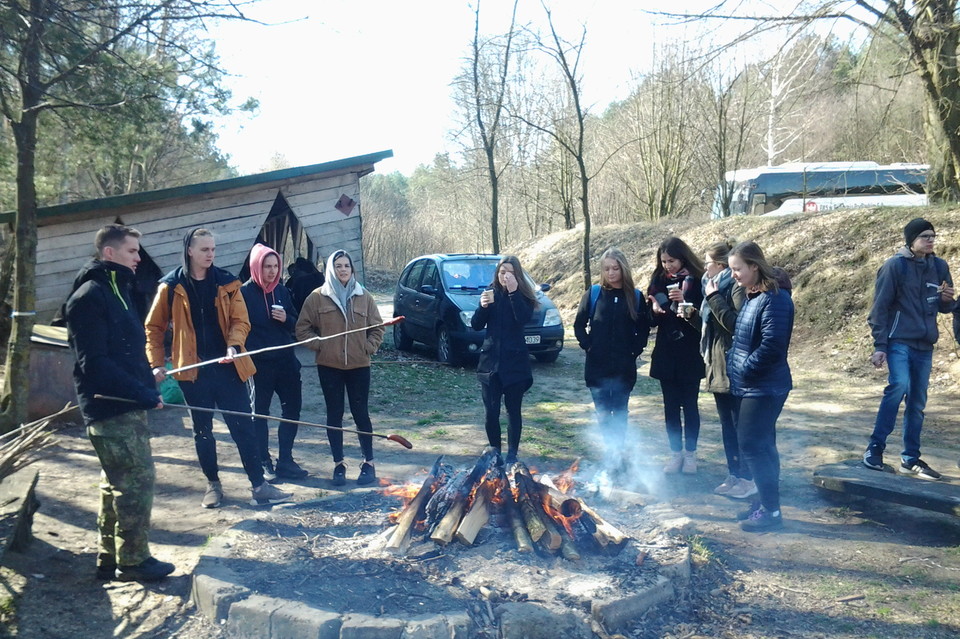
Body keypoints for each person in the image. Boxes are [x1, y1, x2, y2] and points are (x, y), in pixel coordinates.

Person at [145, 228, 292, 508]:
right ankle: (213, 485)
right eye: (204, 250)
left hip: (227, 368)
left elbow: (241, 321)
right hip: (192, 372)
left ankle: (259, 486)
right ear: (190, 251)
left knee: (243, 428)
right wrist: (155, 364)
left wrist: (234, 347)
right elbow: (153, 328)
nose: (210, 254)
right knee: (202, 430)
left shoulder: (227, 283)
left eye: (213, 249)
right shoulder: (170, 287)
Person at [64, 224, 175, 582]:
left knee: (115, 483)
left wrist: (149, 378)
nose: (139, 258)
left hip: (126, 403)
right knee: (137, 481)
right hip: (109, 407)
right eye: (132, 251)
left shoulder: (118, 288)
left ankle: (109, 557)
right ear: (109, 253)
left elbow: (125, 350)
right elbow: (94, 363)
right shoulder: (89, 296)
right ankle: (133, 561)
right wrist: (141, 393)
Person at [864, 218, 954, 480]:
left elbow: (945, 306)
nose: (931, 240)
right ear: (911, 239)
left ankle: (910, 459)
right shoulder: (895, 266)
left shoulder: (939, 266)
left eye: (933, 236)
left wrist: (947, 301)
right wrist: (880, 346)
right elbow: (879, 309)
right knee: (898, 387)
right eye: (925, 236)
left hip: (925, 345)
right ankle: (874, 450)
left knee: (917, 402)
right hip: (899, 341)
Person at [295, 249, 385, 486]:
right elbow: (302, 329)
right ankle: (339, 464)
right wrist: (320, 346)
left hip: (359, 365)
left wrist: (368, 347)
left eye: (347, 266)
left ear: (352, 269)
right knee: (334, 415)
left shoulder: (363, 295)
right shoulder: (317, 297)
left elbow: (378, 327)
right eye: (338, 266)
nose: (343, 270)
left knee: (361, 414)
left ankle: (369, 463)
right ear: (331, 270)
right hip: (329, 366)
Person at [726, 241, 794, 532]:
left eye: (738, 269)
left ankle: (771, 512)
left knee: (754, 446)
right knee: (762, 446)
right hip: (751, 385)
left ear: (754, 265)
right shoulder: (754, 296)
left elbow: (772, 346)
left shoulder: (775, 299)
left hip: (764, 386)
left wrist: (744, 368)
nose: (734, 276)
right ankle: (766, 504)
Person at [573, 248, 649, 468]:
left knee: (621, 410)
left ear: (623, 269)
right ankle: (611, 451)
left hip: (624, 367)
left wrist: (635, 349)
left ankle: (618, 450)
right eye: (607, 269)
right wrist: (587, 345)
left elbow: (643, 328)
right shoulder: (594, 293)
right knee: (603, 412)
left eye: (615, 268)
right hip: (597, 366)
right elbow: (579, 324)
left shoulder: (635, 296)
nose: (611, 273)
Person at [240, 243, 308, 481]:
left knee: (292, 409)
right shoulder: (244, 294)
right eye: (267, 266)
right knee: (260, 413)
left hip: (287, 362)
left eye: (275, 266)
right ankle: (263, 461)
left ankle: (286, 460)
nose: (271, 271)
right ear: (256, 266)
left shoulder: (281, 290)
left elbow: (297, 324)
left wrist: (285, 318)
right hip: (259, 366)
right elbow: (238, 329)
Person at [471, 255, 538, 465]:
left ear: (516, 275)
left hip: (515, 364)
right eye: (502, 272)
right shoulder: (490, 294)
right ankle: (495, 454)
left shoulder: (523, 295)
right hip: (490, 363)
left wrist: (514, 292)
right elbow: (476, 325)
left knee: (513, 411)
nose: (505, 276)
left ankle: (512, 455)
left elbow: (524, 318)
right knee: (491, 412)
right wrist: (482, 307)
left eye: (509, 272)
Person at [647, 237, 705, 474]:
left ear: (682, 258)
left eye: (671, 260)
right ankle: (675, 454)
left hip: (690, 352)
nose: (667, 266)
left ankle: (690, 455)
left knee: (690, 406)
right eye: (663, 261)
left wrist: (685, 303)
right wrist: (653, 309)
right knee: (670, 407)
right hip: (666, 352)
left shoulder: (698, 281)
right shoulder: (658, 282)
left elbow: (703, 321)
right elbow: (650, 321)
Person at [701, 241, 754, 499]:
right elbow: (714, 327)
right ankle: (734, 475)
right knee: (727, 425)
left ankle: (747, 478)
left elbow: (736, 325)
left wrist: (713, 298)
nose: (704, 268)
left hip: (733, 365)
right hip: (717, 365)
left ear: (719, 265)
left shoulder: (733, 287)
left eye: (707, 263)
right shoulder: (713, 287)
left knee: (739, 425)